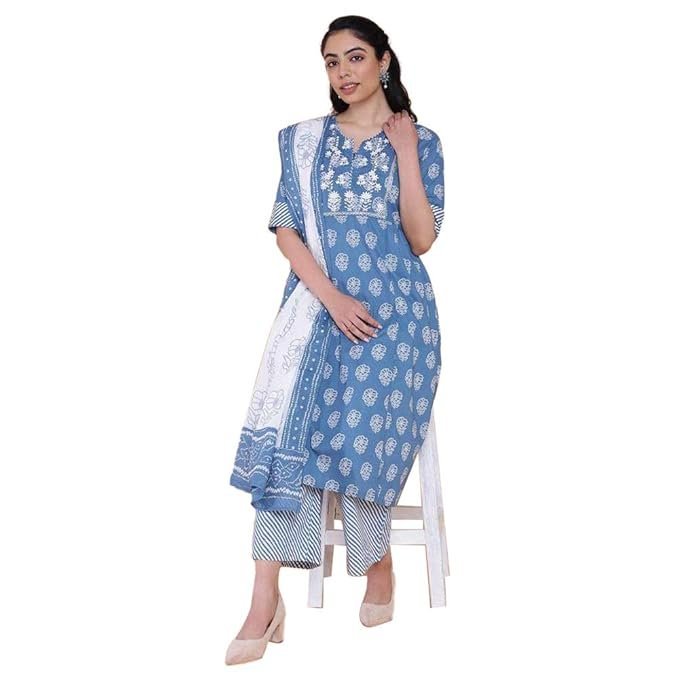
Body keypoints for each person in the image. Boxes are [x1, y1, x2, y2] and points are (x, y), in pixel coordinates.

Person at [225, 15, 445, 664]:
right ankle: (264, 599)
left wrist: (405, 152)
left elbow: (421, 238)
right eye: (330, 61)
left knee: (358, 423)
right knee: (286, 437)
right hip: (317, 307)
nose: (342, 72)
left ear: (383, 61)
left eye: (354, 57)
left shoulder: (422, 141)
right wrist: (331, 297)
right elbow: (286, 229)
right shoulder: (302, 141)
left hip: (395, 319)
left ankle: (375, 560)